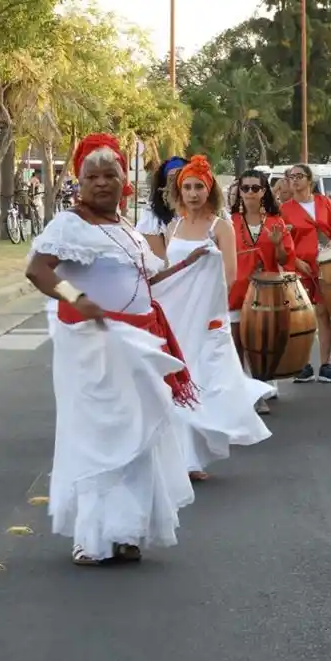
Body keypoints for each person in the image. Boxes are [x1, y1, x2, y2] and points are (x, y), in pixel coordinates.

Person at [25, 133, 205, 566]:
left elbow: (140, 282)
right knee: (99, 438)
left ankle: (126, 532)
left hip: (141, 344)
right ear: (80, 182)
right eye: (92, 176)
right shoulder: (70, 224)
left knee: (138, 439)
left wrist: (182, 267)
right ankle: (91, 537)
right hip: (96, 349)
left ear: (124, 182)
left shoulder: (127, 228)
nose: (101, 183)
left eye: (110, 175)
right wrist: (76, 298)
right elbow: (37, 270)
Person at [153, 155, 273, 482]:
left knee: (203, 381)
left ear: (209, 191)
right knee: (174, 382)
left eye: (199, 187)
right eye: (187, 187)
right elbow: (165, 271)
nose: (193, 193)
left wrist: (211, 313)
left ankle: (193, 459)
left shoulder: (221, 227)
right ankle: (177, 456)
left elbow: (230, 275)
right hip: (174, 317)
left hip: (206, 317)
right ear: (179, 191)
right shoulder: (172, 226)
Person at [228, 169, 296, 414]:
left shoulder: (276, 222)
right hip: (236, 291)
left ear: (264, 191)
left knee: (259, 344)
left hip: (266, 294)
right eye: (244, 188)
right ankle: (242, 391)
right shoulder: (229, 221)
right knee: (237, 344)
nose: (249, 193)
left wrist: (277, 245)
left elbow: (285, 258)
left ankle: (258, 393)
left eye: (255, 188)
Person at [278, 163, 331, 383]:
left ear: (309, 180)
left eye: (299, 176)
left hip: (326, 266)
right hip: (300, 268)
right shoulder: (285, 209)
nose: (295, 180)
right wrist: (296, 261)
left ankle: (326, 364)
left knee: (323, 314)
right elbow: (280, 242)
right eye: (291, 177)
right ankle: (303, 364)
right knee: (302, 317)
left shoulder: (324, 202)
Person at [136, 156, 188, 260]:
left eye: (182, 176)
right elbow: (160, 261)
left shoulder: (205, 214)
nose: (177, 183)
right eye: (172, 179)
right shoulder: (153, 218)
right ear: (165, 185)